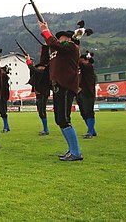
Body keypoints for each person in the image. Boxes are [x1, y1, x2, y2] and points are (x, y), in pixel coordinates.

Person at [38, 22, 83, 161]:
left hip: (65, 85)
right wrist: (46, 44)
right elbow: (44, 61)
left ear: (69, 39)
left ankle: (76, 152)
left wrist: (46, 31)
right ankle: (72, 150)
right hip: (58, 86)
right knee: (60, 119)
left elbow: (56, 44)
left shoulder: (71, 47)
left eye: (62, 38)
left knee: (64, 119)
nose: (60, 40)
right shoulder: (59, 51)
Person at [25, 44, 51, 136]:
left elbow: (32, 68)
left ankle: (46, 129)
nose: (39, 67)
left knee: (42, 111)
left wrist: (28, 61)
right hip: (39, 94)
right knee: (40, 111)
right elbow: (32, 71)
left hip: (43, 93)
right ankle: (45, 128)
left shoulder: (43, 73)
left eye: (41, 66)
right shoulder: (39, 73)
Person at [78, 51, 97, 139]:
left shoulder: (89, 67)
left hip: (87, 92)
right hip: (80, 93)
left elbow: (81, 64)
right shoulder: (83, 69)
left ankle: (90, 131)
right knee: (84, 112)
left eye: (82, 60)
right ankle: (91, 131)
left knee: (88, 112)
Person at [0, 65, 11, 132]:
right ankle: (6, 126)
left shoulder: (3, 76)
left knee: (2, 111)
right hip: (3, 96)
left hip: (2, 96)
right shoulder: (4, 77)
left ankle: (6, 127)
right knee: (2, 111)